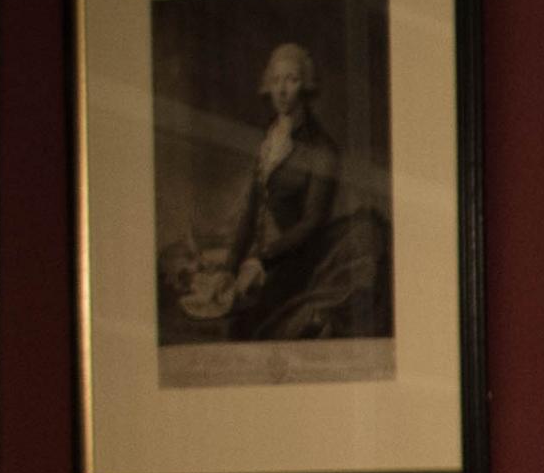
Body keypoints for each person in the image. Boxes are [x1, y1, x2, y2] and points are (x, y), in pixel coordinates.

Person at [166, 42, 388, 343]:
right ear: (267, 86)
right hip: (264, 259)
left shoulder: (321, 148)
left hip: (299, 259)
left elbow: (312, 221)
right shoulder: (270, 140)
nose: (282, 90)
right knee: (210, 297)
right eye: (276, 80)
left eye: (291, 80)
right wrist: (231, 267)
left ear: (305, 87)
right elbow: (251, 210)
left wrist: (263, 260)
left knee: (253, 322)